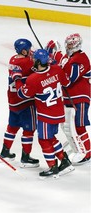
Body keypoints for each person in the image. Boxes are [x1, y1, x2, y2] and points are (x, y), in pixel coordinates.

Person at [14, 49, 74, 178]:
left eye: (34, 60)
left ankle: (53, 166)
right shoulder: (57, 69)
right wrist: (55, 65)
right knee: (51, 137)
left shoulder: (33, 79)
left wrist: (17, 78)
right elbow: (67, 82)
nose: (33, 62)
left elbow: (21, 94)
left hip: (46, 114)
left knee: (43, 140)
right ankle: (65, 161)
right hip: (58, 111)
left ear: (39, 62)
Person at [46, 33, 90, 165]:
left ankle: (87, 152)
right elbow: (60, 67)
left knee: (79, 125)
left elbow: (70, 79)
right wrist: (51, 55)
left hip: (80, 97)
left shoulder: (81, 58)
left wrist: (57, 59)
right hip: (67, 97)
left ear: (77, 44)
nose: (69, 46)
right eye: (68, 43)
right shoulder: (68, 57)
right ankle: (76, 146)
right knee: (66, 126)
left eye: (72, 44)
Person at [0, 38, 39, 168]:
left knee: (12, 126)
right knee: (29, 129)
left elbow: (30, 56)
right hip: (25, 101)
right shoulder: (27, 62)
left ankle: (5, 152)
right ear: (23, 51)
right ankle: (25, 158)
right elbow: (40, 66)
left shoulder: (13, 59)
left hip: (13, 100)